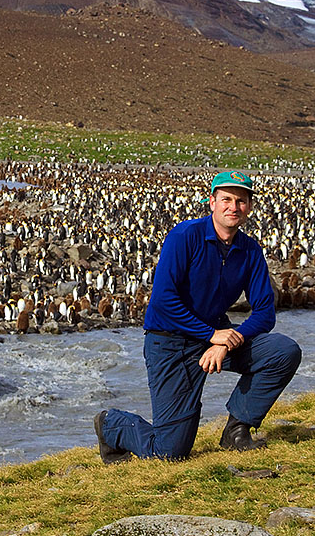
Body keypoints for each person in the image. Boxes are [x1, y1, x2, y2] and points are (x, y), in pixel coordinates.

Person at [94, 170, 301, 464]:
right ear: (212, 202)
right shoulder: (184, 237)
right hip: (170, 343)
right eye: (226, 199)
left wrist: (226, 341)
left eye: (241, 201)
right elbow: (163, 301)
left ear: (249, 207)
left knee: (283, 351)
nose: (233, 206)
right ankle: (111, 424)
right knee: (170, 451)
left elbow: (266, 312)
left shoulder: (250, 250)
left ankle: (237, 430)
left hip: (215, 340)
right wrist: (212, 335)